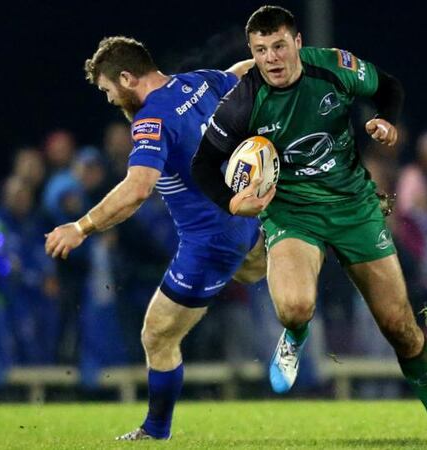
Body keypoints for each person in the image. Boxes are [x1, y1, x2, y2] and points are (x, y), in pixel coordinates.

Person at [190, 5, 427, 445]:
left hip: (354, 208)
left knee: (400, 326)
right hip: (291, 214)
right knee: (294, 307)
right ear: (252, 52)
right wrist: (233, 202)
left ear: (298, 42)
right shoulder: (243, 100)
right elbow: (203, 164)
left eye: (279, 45)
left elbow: (389, 86)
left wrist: (385, 119)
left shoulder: (334, 67)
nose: (272, 58)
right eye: (261, 50)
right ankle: (294, 336)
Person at [44, 36, 273, 440]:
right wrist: (280, 61)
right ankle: (305, 240)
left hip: (208, 240)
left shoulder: (153, 119)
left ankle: (155, 430)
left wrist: (79, 227)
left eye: (108, 89)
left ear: (127, 78)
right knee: (253, 271)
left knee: (157, 334)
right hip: (242, 216)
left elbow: (136, 189)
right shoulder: (195, 82)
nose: (110, 99)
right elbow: (239, 73)